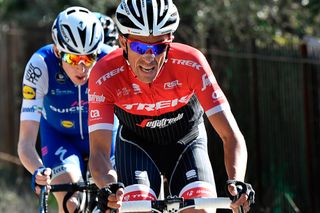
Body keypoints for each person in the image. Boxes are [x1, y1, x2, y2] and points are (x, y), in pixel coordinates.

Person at [88, 0, 255, 213]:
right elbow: (99, 152)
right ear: (122, 42)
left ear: (170, 42)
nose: (149, 58)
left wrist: (237, 181)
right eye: (139, 47)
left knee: (201, 209)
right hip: (136, 145)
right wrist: (108, 187)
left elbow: (231, 135)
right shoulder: (104, 75)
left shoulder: (191, 63)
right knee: (137, 209)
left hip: (186, 141)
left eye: (158, 47)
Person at [17, 6, 119, 213]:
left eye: (89, 58)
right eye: (73, 59)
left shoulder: (111, 60)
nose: (82, 68)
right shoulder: (40, 65)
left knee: (113, 200)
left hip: (106, 137)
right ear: (57, 50)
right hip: (60, 138)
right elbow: (25, 143)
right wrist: (38, 170)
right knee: (71, 203)